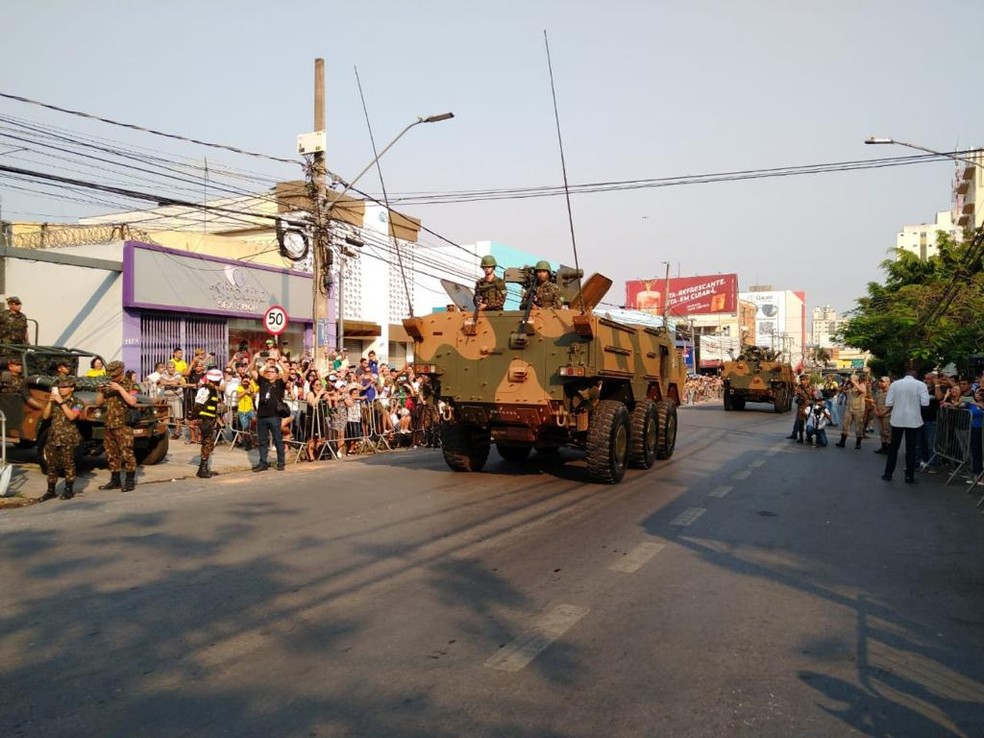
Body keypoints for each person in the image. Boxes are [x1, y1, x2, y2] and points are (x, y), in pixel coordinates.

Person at [95, 360, 139, 492]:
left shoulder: (131, 384)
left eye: (114, 374)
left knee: (127, 453)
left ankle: (129, 481)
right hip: (109, 423)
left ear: (121, 371)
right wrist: (102, 391)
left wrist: (120, 389)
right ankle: (115, 480)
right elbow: (98, 404)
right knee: (111, 454)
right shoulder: (108, 384)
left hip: (123, 424)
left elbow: (132, 401)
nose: (112, 376)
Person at [38, 376, 84, 501]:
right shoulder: (55, 401)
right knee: (51, 465)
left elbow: (72, 417)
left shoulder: (78, 402)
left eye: (64, 387)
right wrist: (49, 401)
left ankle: (68, 489)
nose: (61, 390)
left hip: (68, 437)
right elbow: (46, 416)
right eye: (60, 388)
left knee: (68, 464)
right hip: (53, 436)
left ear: (72, 388)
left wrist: (62, 403)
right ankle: (50, 490)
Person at [881, 369, 930, 483]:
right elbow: (925, 403)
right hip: (913, 420)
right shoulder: (921, 385)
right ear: (916, 376)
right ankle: (909, 476)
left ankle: (888, 474)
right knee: (911, 449)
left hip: (897, 419)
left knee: (894, 447)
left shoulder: (895, 384)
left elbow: (889, 402)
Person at [250, 356, 287, 472]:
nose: (269, 373)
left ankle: (281, 462)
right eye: (268, 371)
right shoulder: (263, 382)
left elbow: (286, 372)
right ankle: (263, 463)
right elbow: (252, 370)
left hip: (275, 416)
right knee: (262, 441)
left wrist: (279, 360)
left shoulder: (280, 383)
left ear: (277, 374)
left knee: (277, 439)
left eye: (272, 372)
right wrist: (255, 358)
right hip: (262, 416)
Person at [193, 368, 224, 478]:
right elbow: (198, 404)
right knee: (207, 443)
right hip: (205, 419)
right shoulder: (205, 389)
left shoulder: (213, 389)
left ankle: (204, 468)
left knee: (208, 444)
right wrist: (195, 418)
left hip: (210, 420)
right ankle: (202, 470)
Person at [835, 373, 868, 449]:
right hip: (849, 409)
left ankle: (858, 443)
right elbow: (840, 391)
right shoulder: (849, 387)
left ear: (856, 380)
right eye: (850, 379)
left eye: (852, 379)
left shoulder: (861, 385)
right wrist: (846, 384)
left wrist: (855, 384)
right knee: (845, 426)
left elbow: (863, 391)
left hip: (858, 410)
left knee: (859, 427)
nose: (851, 381)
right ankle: (842, 442)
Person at [871, 376, 893, 454]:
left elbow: (891, 405)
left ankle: (889, 448)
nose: (880, 383)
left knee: (888, 432)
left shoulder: (891, 392)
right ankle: (883, 447)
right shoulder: (879, 392)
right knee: (881, 432)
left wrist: (883, 413)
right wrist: (875, 411)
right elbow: (874, 403)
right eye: (880, 381)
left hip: (887, 415)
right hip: (879, 415)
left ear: (888, 382)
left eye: (883, 381)